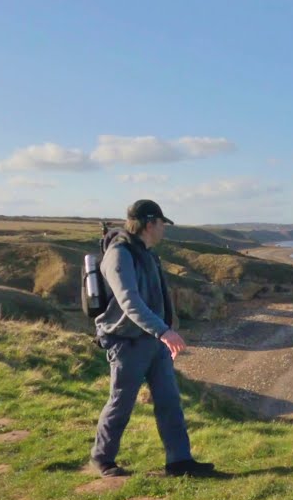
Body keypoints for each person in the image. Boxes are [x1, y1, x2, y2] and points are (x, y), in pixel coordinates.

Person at [90, 199, 216, 478]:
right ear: (150, 224)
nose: (163, 229)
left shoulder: (145, 252)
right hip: (127, 341)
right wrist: (164, 331)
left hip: (153, 341)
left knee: (169, 400)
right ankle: (103, 459)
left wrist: (164, 331)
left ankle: (179, 461)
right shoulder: (119, 254)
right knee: (121, 402)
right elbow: (129, 302)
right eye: (161, 224)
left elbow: (157, 298)